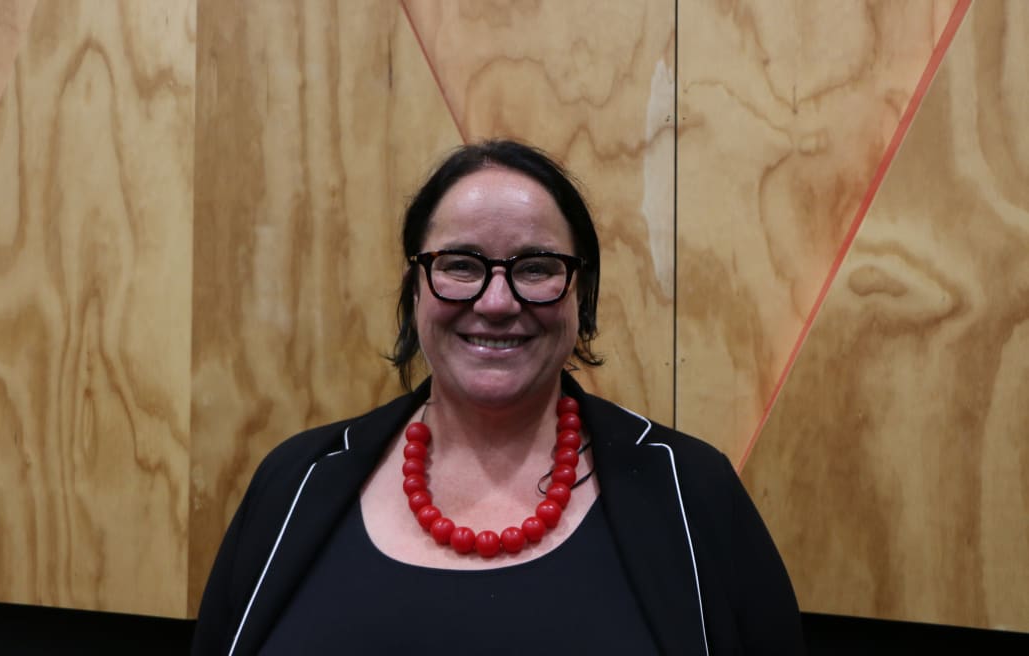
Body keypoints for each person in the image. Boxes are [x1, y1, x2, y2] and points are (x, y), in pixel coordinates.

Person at [191, 140, 804, 655]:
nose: (496, 301)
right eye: (460, 264)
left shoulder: (690, 493)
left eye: (536, 267)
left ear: (579, 293)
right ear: (414, 290)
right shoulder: (296, 483)